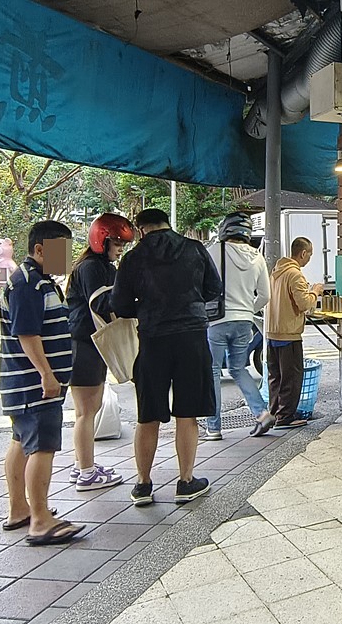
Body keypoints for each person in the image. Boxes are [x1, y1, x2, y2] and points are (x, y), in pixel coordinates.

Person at [111, 208, 222, 507]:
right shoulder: (194, 249)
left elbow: (119, 304)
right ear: (167, 224)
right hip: (192, 338)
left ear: (142, 229)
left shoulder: (133, 258)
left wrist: (147, 307)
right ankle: (186, 481)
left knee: (148, 414)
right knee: (187, 412)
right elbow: (214, 289)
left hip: (153, 340)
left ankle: (143, 485)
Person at [0, 221, 85, 546]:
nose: (67, 258)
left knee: (21, 441)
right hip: (34, 385)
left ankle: (19, 510)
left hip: (24, 385)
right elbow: (27, 335)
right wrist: (47, 375)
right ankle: (40, 519)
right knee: (42, 447)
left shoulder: (39, 281)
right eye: (61, 251)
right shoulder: (28, 285)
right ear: (40, 250)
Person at [64, 213, 134, 492]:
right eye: (116, 242)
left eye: (123, 244)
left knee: (87, 410)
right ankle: (86, 472)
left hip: (87, 343)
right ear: (101, 239)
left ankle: (83, 464)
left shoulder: (97, 264)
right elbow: (102, 302)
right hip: (84, 343)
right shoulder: (93, 267)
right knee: (86, 411)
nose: (120, 249)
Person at [205, 212, 273, 440]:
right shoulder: (258, 257)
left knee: (213, 370)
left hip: (217, 320)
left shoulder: (214, 251)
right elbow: (265, 295)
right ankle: (262, 413)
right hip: (245, 322)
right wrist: (247, 309)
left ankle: (213, 428)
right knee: (239, 369)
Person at [266, 237, 323, 429]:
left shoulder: (276, 272)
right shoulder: (295, 274)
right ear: (303, 253)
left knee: (276, 378)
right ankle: (285, 417)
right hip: (289, 334)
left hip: (272, 332)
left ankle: (274, 414)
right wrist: (315, 291)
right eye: (310, 255)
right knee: (291, 378)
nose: (309, 259)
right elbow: (304, 304)